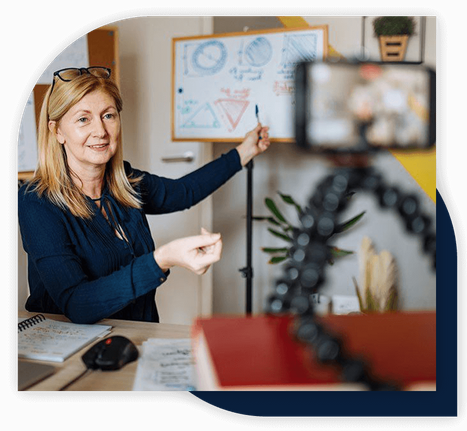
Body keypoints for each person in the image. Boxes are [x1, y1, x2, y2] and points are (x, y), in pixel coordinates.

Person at [17, 67, 270, 324]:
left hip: (133, 336)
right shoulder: (36, 201)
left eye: (108, 115)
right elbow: (77, 304)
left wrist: (244, 152)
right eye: (83, 119)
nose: (101, 131)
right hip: (67, 349)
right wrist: (163, 259)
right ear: (57, 130)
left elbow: (184, 193)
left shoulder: (126, 182)